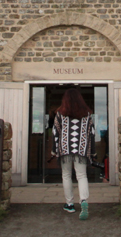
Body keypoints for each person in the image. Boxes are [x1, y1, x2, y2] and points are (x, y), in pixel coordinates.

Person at [51, 88, 95, 220]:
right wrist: (92, 152)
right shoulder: (87, 114)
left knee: (66, 175)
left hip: (65, 149)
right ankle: (83, 201)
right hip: (81, 149)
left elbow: (55, 132)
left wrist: (54, 149)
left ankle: (69, 204)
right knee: (82, 175)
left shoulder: (60, 114)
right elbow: (91, 133)